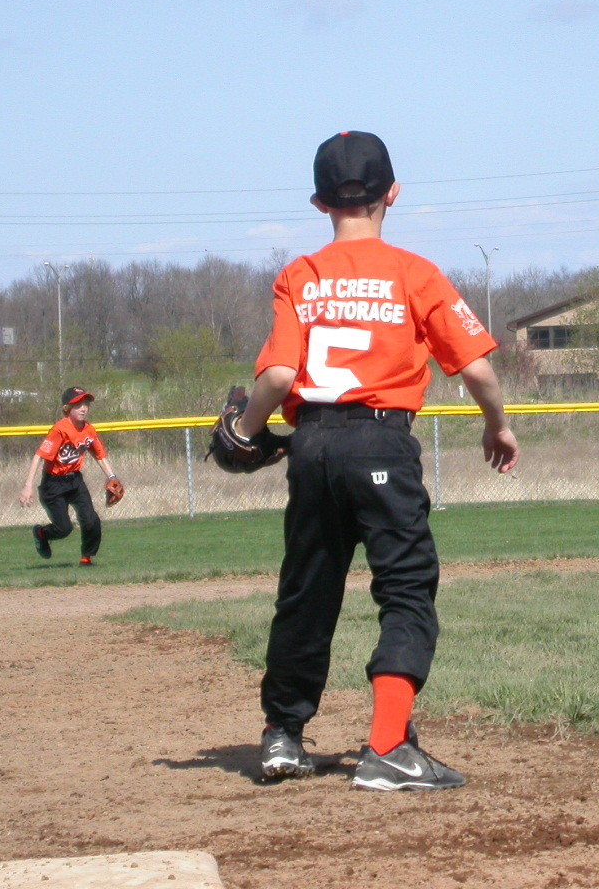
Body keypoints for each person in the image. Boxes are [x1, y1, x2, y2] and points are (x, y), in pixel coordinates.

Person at [233, 130, 520, 791]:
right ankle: (388, 746)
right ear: (393, 193)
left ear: (319, 202)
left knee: (307, 589)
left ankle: (283, 735)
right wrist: (498, 426)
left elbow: (277, 377)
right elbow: (477, 368)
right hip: (382, 439)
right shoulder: (414, 273)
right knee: (406, 586)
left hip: (312, 445)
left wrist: (247, 432)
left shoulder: (300, 275)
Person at [18, 387, 118, 567]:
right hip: (53, 484)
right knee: (64, 529)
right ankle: (41, 533)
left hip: (75, 481)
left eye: (86, 404)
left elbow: (99, 454)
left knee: (91, 520)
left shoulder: (89, 430)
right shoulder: (60, 430)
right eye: (78, 405)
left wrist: (111, 476)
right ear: (67, 409)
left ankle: (86, 558)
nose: (83, 408)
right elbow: (39, 456)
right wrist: (28, 486)